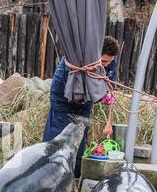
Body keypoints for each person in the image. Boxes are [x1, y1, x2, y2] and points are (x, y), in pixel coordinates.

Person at [42, 35, 120, 178]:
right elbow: (72, 83)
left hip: (86, 102)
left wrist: (107, 93)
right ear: (96, 56)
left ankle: (75, 173)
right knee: (59, 133)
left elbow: (110, 81)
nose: (107, 64)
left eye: (110, 62)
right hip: (64, 98)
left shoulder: (110, 62)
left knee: (80, 133)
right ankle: (50, 171)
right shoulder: (77, 60)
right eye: (104, 61)